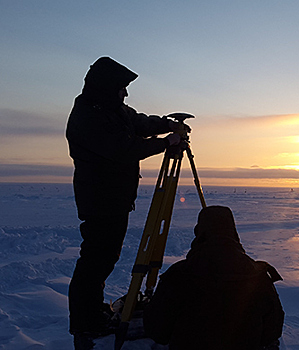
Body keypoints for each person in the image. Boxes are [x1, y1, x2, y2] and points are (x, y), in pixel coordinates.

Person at [66, 56, 190, 337]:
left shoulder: (110, 109)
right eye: (121, 88)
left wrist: (167, 125)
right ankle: (86, 322)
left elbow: (139, 123)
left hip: (114, 198)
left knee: (103, 257)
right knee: (96, 260)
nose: (125, 93)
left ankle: (93, 312)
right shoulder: (89, 116)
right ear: (107, 87)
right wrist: (165, 144)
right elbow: (123, 148)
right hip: (100, 200)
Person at [144, 206, 285, 350]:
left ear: (199, 231)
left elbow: (158, 332)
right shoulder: (259, 276)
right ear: (233, 232)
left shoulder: (178, 275)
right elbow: (272, 331)